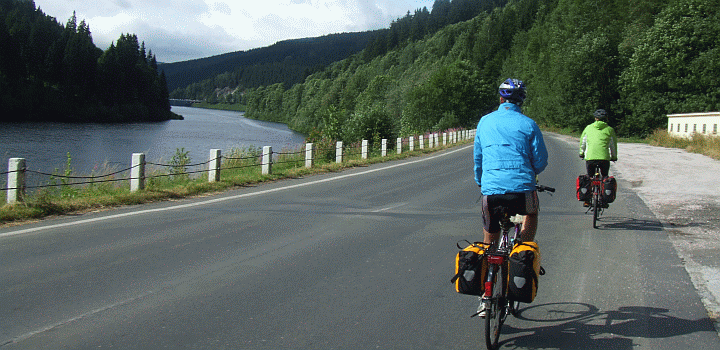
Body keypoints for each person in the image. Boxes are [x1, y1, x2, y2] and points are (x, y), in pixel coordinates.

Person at [474, 78, 549, 246]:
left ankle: (489, 262)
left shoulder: (484, 122)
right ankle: (524, 248)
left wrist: (480, 181)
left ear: (501, 99)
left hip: (491, 191)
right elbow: (541, 161)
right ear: (521, 101)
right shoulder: (529, 124)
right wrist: (530, 173)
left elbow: (478, 159)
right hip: (521, 190)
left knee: (488, 243)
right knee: (532, 213)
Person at [579, 109, 618, 178]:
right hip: (604, 159)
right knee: (605, 177)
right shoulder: (610, 130)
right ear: (606, 119)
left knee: (590, 178)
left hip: (590, 158)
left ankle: (590, 186)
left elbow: (583, 142)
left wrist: (581, 153)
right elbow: (613, 145)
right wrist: (614, 157)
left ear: (595, 118)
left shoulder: (588, 128)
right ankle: (605, 186)